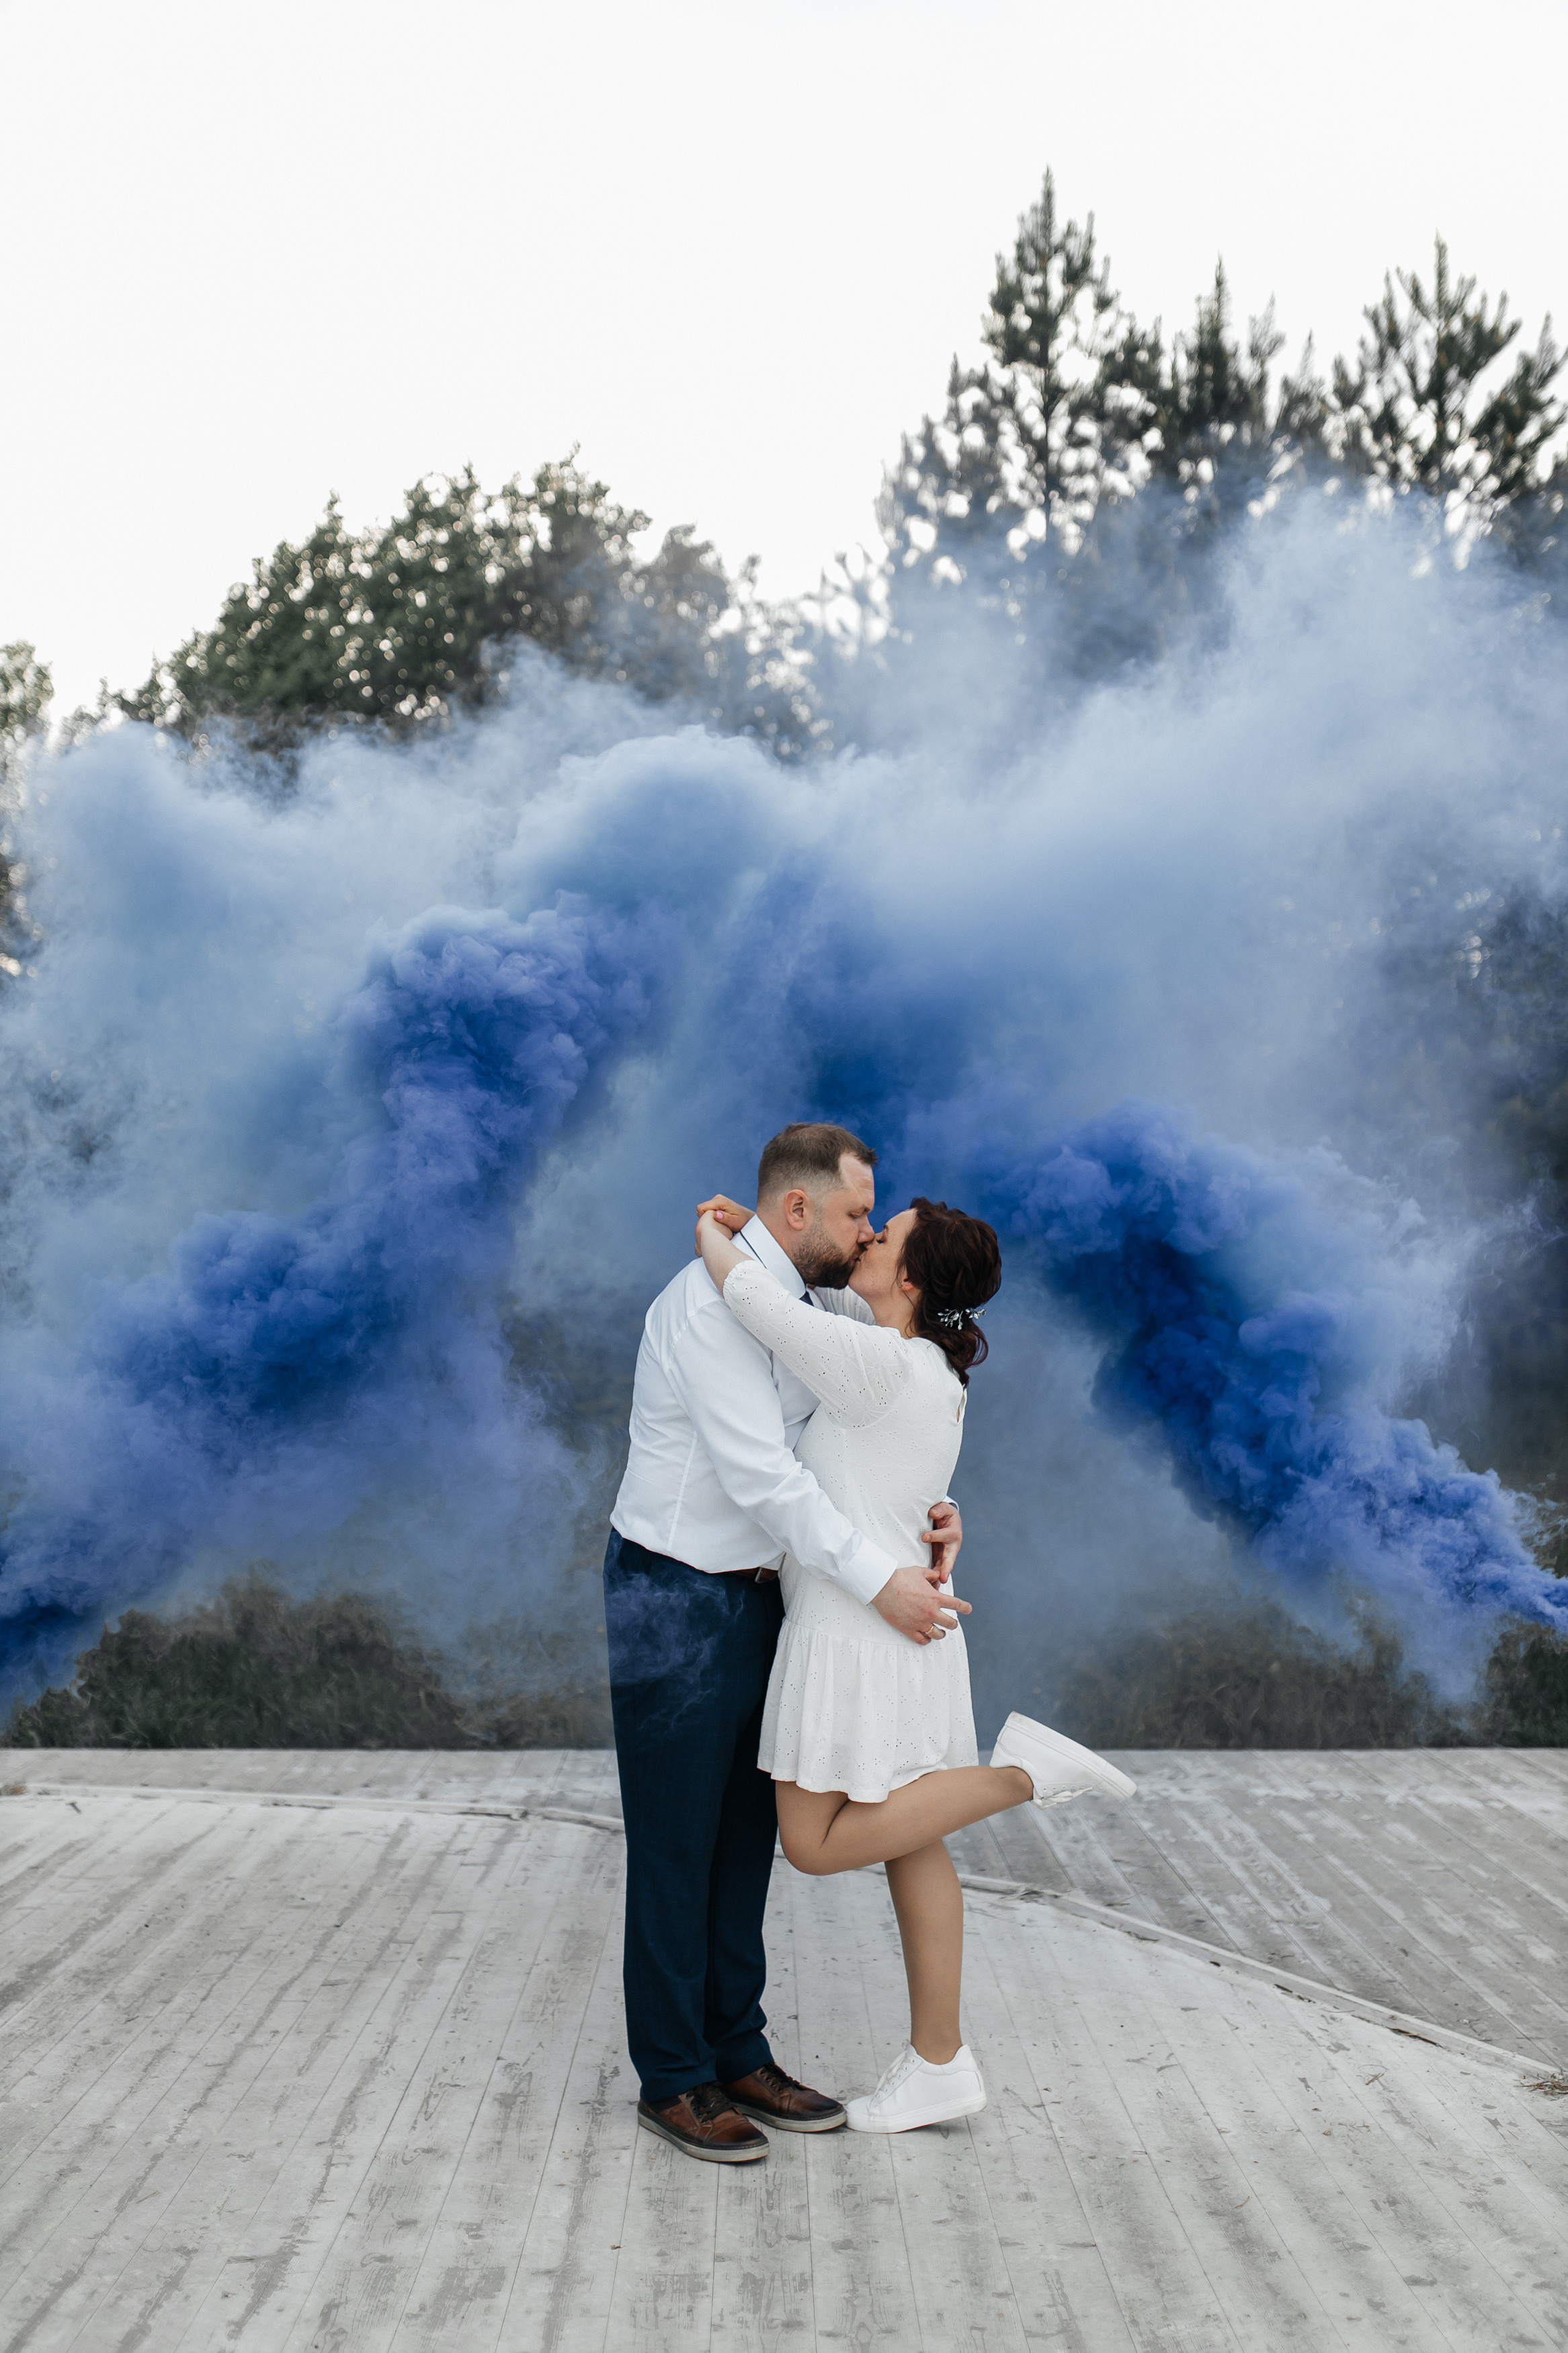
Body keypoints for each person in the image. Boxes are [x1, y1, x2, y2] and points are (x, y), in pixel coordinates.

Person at [694, 1189, 1136, 2134]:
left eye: (880, 1233)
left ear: (909, 1276)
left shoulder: (874, 1362)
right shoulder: (926, 1365)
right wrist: (945, 1520)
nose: (863, 1234)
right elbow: (895, 1457)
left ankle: (1023, 1775)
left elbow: (759, 1302)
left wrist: (717, 1236)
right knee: (908, 1839)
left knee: (813, 1847)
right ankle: (940, 2062)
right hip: (909, 1630)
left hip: (856, 1635)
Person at [604, 1123, 966, 2164]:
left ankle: (737, 2049)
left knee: (742, 1841)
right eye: (859, 1215)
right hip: (674, 1594)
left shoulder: (814, 1300)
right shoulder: (706, 1308)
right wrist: (880, 1582)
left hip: (767, 1595)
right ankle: (673, 2077)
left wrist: (937, 1518)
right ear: (799, 1209)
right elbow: (767, 1478)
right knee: (676, 1845)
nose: (866, 1235)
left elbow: (886, 1409)